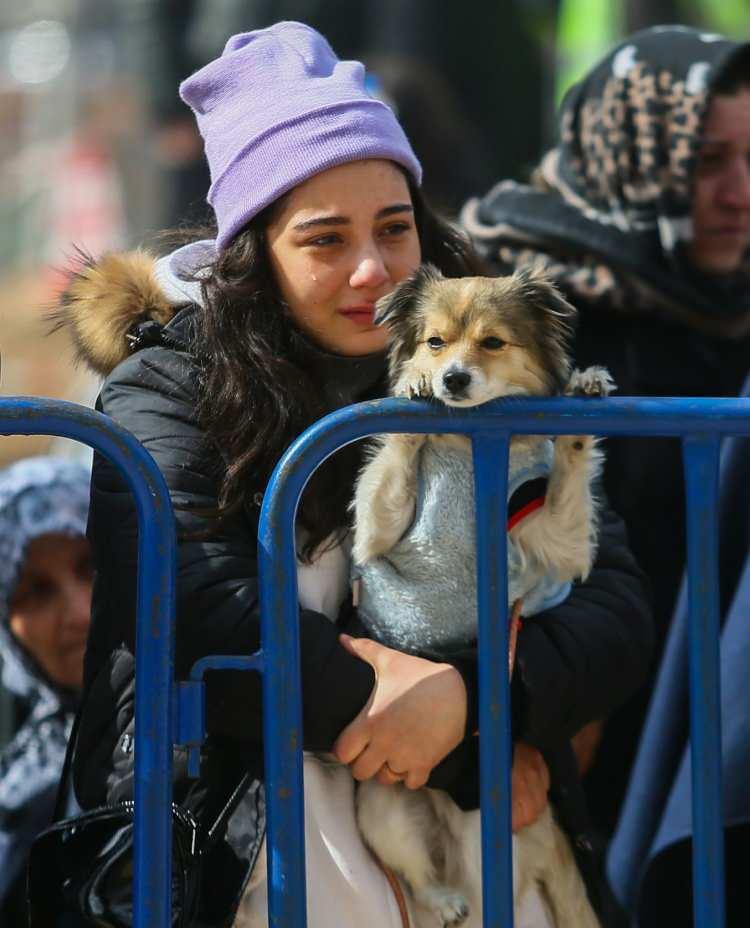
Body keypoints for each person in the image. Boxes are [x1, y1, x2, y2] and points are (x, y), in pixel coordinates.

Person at [56, 22, 651, 927]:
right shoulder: (168, 383)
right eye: (325, 240)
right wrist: (433, 732)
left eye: (395, 227)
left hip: (482, 858)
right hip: (232, 848)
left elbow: (609, 597)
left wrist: (479, 706)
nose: (374, 271)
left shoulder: (477, 358)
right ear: (254, 253)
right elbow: (200, 602)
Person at [462, 24, 750, 840]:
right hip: (573, 739)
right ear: (631, 157)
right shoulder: (529, 321)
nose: (741, 193)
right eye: (706, 164)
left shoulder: (728, 304)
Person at [0, 456, 92, 925]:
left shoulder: (207, 730)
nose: (78, 612)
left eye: (91, 568)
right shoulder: (19, 781)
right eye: (36, 592)